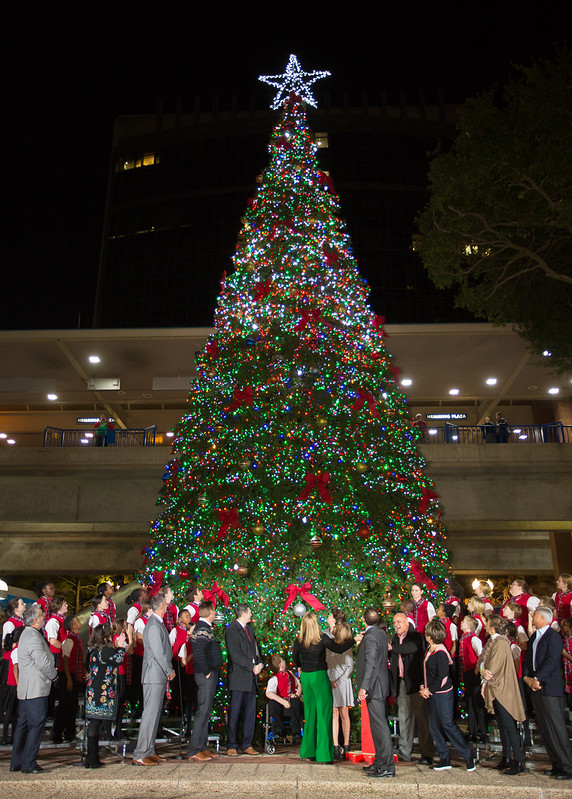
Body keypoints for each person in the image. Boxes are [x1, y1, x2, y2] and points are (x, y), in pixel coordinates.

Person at [292, 610, 354, 765]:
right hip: (319, 676)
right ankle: (324, 755)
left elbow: (294, 659)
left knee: (310, 713)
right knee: (324, 713)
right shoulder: (321, 639)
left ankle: (308, 751)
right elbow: (339, 649)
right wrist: (354, 640)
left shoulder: (299, 640)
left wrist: (301, 667)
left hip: (306, 677)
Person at [523, 605, 572, 780]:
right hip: (536, 687)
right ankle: (556, 764)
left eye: (535, 614)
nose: (532, 615)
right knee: (545, 729)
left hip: (549, 687)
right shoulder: (535, 637)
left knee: (557, 728)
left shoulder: (554, 637)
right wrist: (527, 678)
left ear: (543, 618)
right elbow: (529, 659)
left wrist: (538, 678)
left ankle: (567, 767)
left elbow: (552, 660)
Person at [419, 618, 475, 772]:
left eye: (427, 633)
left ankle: (467, 754)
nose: (425, 635)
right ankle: (444, 757)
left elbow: (442, 677)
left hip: (442, 694)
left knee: (448, 725)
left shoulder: (441, 653)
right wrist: (422, 685)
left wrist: (428, 690)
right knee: (434, 726)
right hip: (431, 693)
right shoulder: (430, 648)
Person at [10, 603, 57, 774]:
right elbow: (42, 662)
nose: (45, 618)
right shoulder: (32, 636)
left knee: (23, 725)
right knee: (36, 724)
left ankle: (17, 761)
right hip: (35, 688)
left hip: (28, 688)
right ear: (36, 620)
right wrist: (53, 675)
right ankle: (29, 762)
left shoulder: (27, 634)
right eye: (43, 616)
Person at [132, 589, 176, 766]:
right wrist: (169, 669)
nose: (168, 607)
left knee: (155, 713)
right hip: (153, 674)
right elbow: (158, 651)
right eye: (166, 604)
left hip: (157, 674)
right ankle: (140, 752)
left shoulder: (157, 623)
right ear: (161, 606)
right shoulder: (153, 624)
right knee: (150, 714)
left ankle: (149, 749)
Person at [478, 615, 525, 775]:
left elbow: (492, 668)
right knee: (502, 725)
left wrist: (484, 673)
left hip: (502, 689)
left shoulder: (500, 643)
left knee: (508, 725)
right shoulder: (493, 642)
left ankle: (517, 760)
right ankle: (506, 757)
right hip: (495, 688)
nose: (484, 626)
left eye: (486, 624)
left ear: (492, 626)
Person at [390, 611, 434, 764]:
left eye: (399, 622)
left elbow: (410, 649)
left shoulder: (415, 636)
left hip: (416, 684)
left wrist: (393, 648)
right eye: (394, 622)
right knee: (404, 716)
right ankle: (405, 750)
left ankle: (427, 753)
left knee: (422, 719)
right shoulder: (395, 639)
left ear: (407, 623)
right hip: (402, 683)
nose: (396, 625)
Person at [355, 606, 393, 778]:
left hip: (374, 686)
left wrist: (364, 686)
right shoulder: (380, 634)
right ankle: (380, 761)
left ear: (364, 619)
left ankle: (387, 766)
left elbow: (371, 663)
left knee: (380, 726)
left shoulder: (370, 637)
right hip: (379, 684)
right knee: (376, 726)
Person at [84, 623, 126, 768]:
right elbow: (118, 660)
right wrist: (121, 647)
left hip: (93, 688)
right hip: (101, 690)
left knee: (93, 722)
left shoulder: (94, 649)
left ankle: (91, 757)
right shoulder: (105, 650)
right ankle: (92, 758)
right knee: (95, 723)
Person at [186, 600, 222, 762]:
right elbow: (199, 652)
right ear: (210, 612)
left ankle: (202, 746)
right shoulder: (202, 629)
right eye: (214, 611)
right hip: (205, 674)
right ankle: (194, 749)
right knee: (203, 710)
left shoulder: (205, 628)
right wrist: (207, 672)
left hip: (208, 673)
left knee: (206, 711)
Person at [225, 603, 263, 756]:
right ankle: (232, 744)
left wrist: (260, 663)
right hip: (239, 677)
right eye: (250, 611)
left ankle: (247, 743)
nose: (251, 614)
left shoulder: (250, 630)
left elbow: (256, 649)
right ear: (244, 613)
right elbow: (235, 654)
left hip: (251, 678)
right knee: (235, 712)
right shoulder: (232, 630)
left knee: (250, 712)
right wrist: (251, 666)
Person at [325, 610, 354, 760]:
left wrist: (338, 681)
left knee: (344, 713)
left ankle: (346, 744)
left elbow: (350, 666)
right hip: (330, 678)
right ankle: (335, 745)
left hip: (342, 681)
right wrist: (329, 680)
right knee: (334, 713)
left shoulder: (346, 641)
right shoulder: (328, 639)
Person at [52, 614, 84, 744]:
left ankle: (69, 732)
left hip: (74, 674)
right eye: (76, 620)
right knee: (65, 705)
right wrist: (69, 678)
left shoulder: (76, 639)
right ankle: (57, 733)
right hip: (68, 675)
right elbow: (65, 660)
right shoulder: (69, 640)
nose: (79, 621)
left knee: (72, 705)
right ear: (73, 625)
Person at [458, 615, 486, 743]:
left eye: (463, 621)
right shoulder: (463, 638)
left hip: (473, 673)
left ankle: (483, 733)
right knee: (470, 703)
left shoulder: (474, 639)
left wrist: (477, 669)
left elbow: (481, 656)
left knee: (477, 704)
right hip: (467, 674)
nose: (461, 623)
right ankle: (472, 731)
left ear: (468, 626)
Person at [265, 654, 303, 743]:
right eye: (283, 660)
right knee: (273, 703)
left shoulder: (290, 674)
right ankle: (278, 732)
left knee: (296, 702)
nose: (285, 662)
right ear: (280, 665)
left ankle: (296, 732)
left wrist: (297, 694)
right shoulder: (275, 679)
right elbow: (269, 693)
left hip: (292, 701)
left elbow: (299, 685)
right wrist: (283, 701)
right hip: (281, 703)